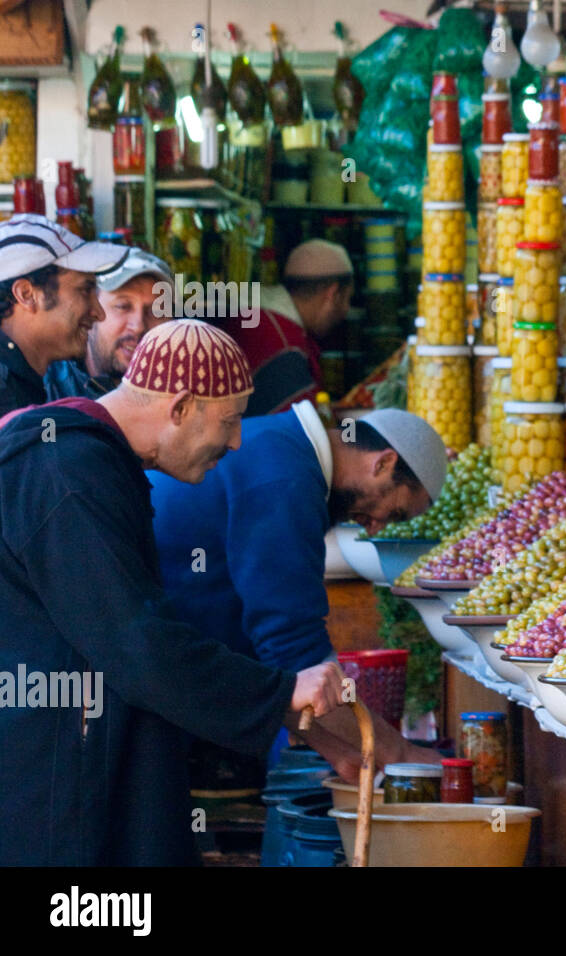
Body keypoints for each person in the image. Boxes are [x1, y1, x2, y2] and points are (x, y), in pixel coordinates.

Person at [0, 320, 346, 865]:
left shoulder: (92, 459)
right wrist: (277, 693)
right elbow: (136, 644)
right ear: (181, 406)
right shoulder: (66, 469)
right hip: (53, 774)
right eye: (230, 421)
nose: (236, 442)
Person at [149, 402, 447, 773]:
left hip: (160, 674)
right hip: (143, 681)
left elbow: (281, 671)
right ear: (383, 463)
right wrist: (399, 754)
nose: (375, 528)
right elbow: (292, 651)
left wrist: (343, 752)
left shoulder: (286, 449)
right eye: (396, 512)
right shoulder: (285, 478)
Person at [0, 214, 126, 416]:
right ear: (27, 294)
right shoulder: (5, 395)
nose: (99, 314)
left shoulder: (22, 381)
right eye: (85, 290)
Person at [222, 238, 354, 417]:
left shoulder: (259, 316)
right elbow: (303, 433)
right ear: (332, 294)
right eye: (347, 299)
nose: (346, 310)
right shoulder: (284, 345)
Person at [45, 248, 174, 399]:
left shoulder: (186, 394)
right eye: (122, 307)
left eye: (155, 311)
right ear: (90, 312)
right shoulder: (46, 391)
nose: (138, 326)